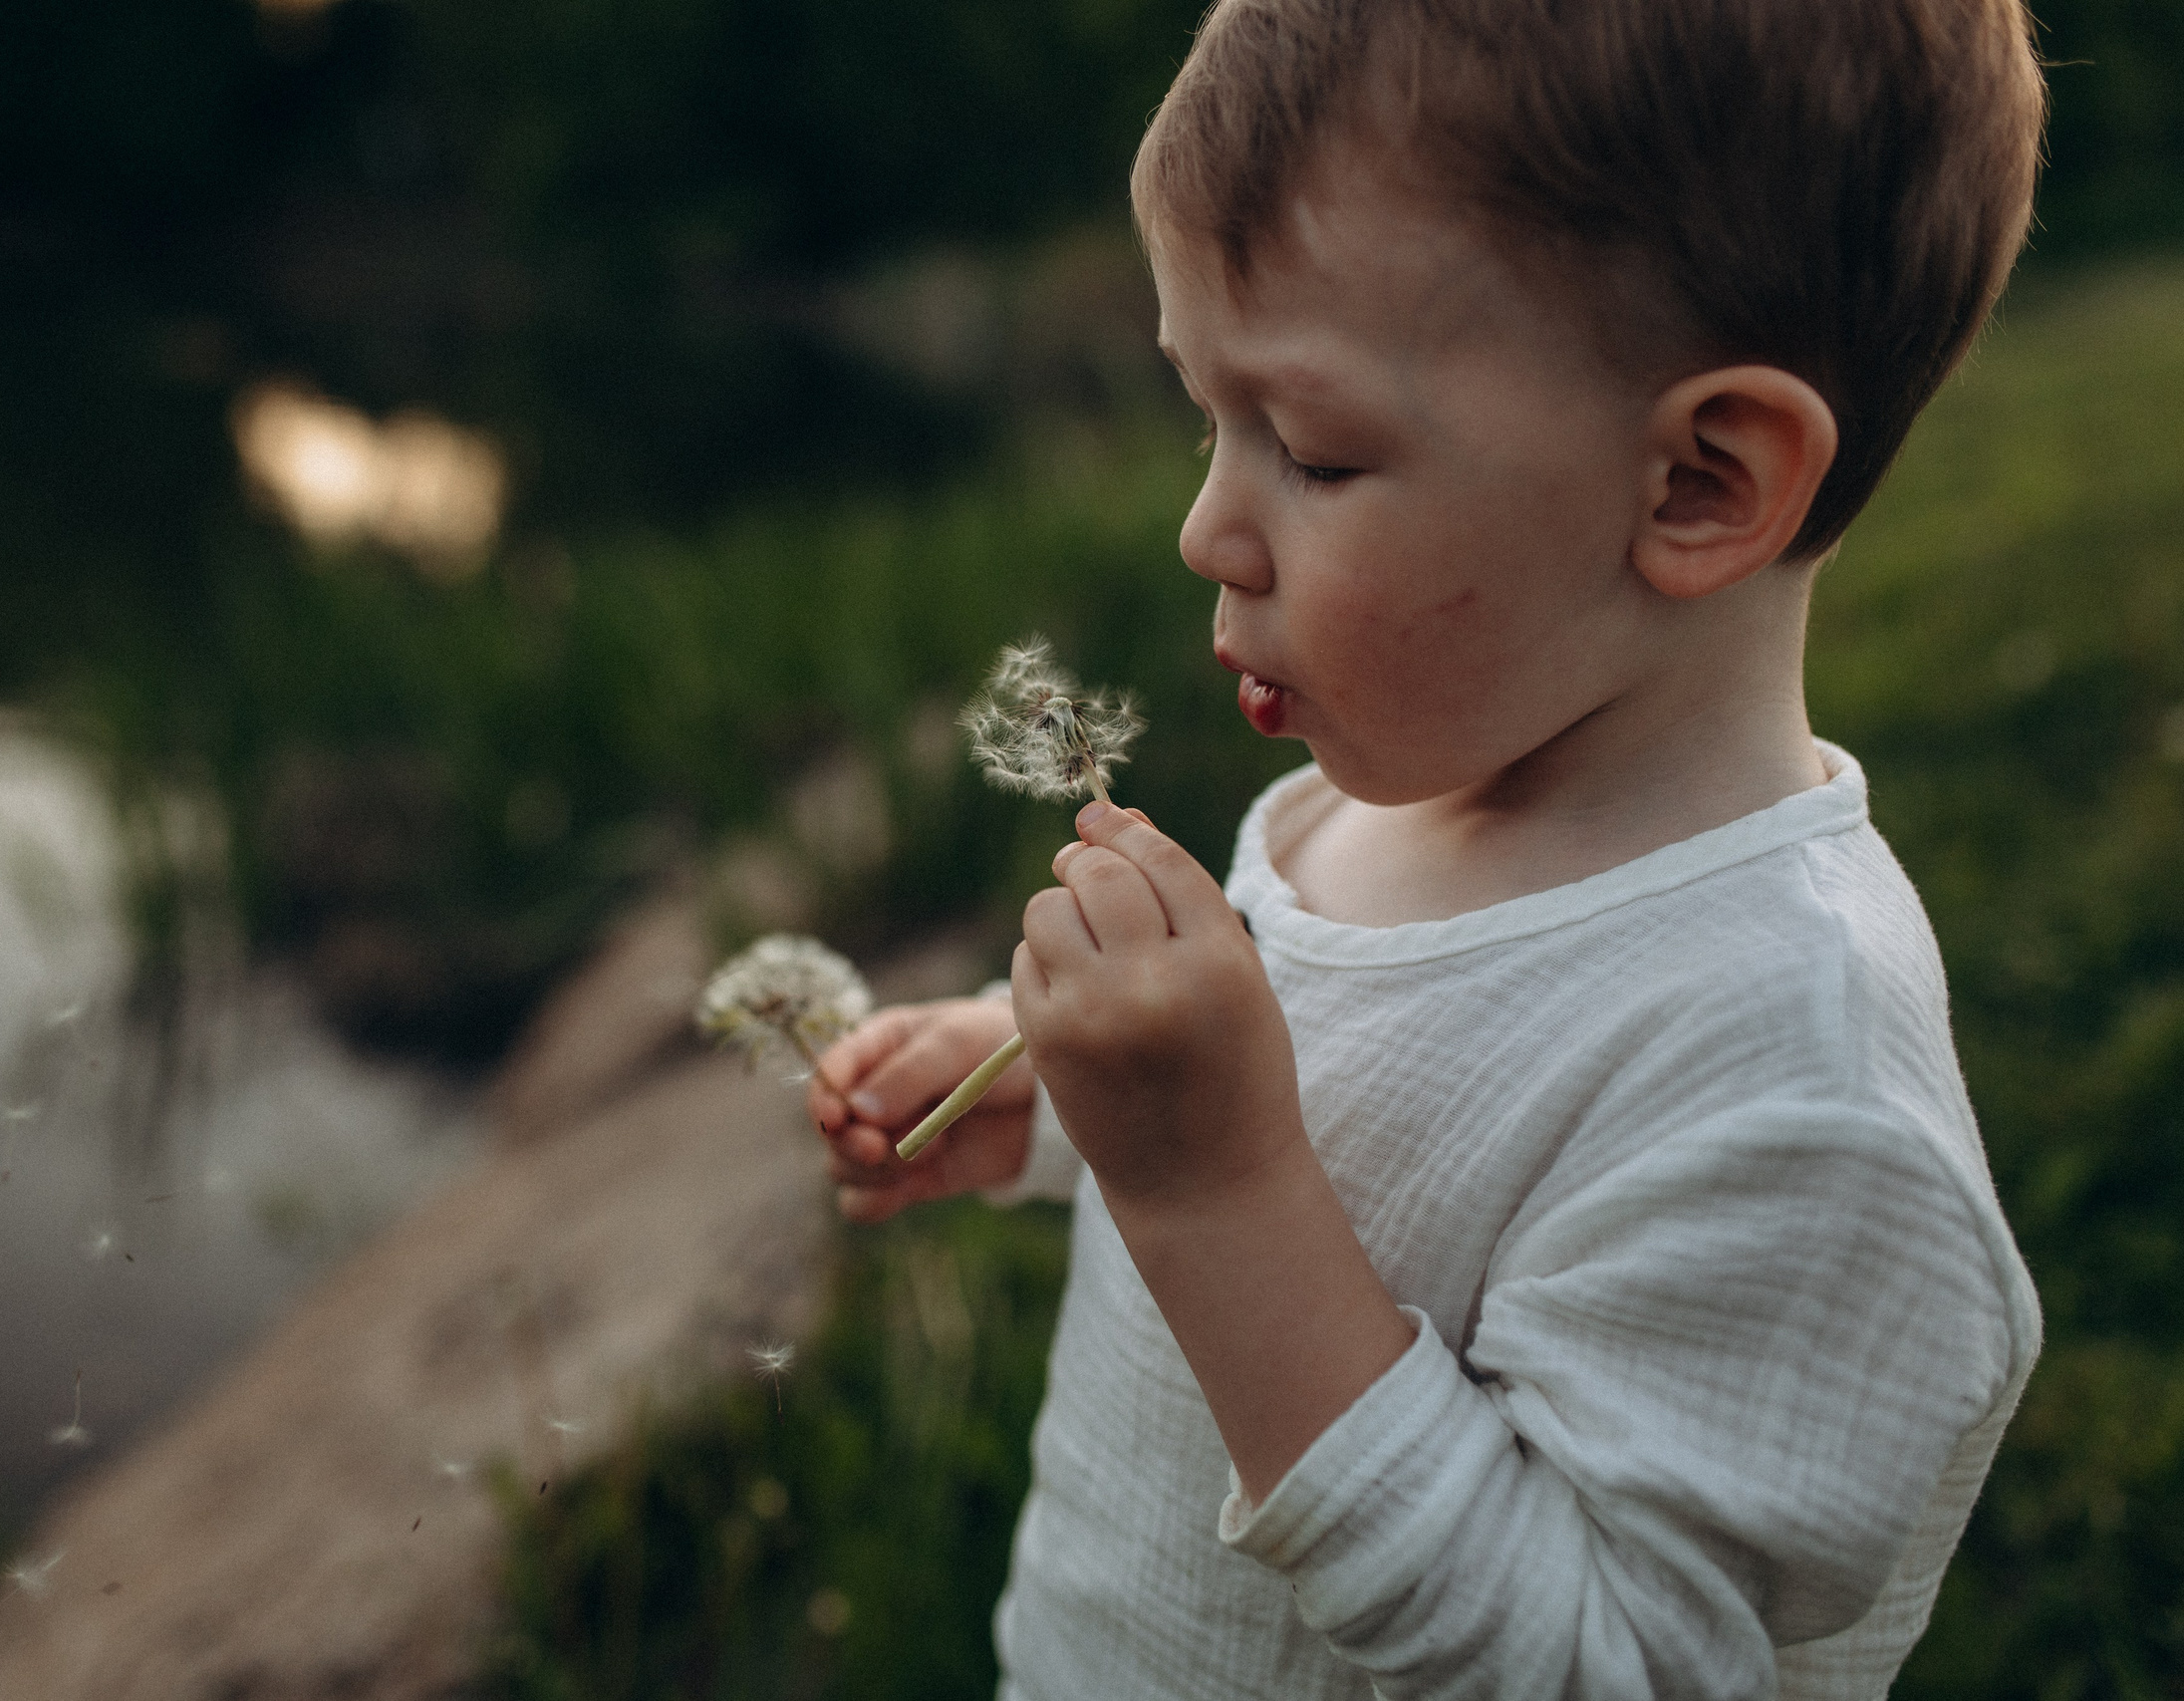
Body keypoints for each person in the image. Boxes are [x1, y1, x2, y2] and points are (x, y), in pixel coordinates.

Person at [805, 1, 2048, 1695]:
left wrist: (1212, 1189)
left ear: (1699, 483)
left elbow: (1607, 1662)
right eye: (1207, 419)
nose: (1205, 528)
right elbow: (1365, 1160)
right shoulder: (1345, 816)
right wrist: (1080, 1116)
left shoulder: (1796, 1092)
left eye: (1312, 450)